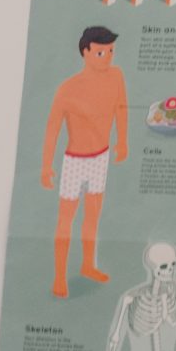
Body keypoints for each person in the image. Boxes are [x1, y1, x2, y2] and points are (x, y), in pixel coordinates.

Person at [40, 24, 129, 298]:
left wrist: (122, 140)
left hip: (100, 157)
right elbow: (53, 127)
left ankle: (88, 264)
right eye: (101, 52)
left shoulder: (116, 76)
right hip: (74, 161)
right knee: (66, 219)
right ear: (85, 52)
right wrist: (46, 165)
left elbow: (120, 108)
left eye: (111, 51)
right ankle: (59, 277)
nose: (108, 57)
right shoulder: (68, 89)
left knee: (93, 215)